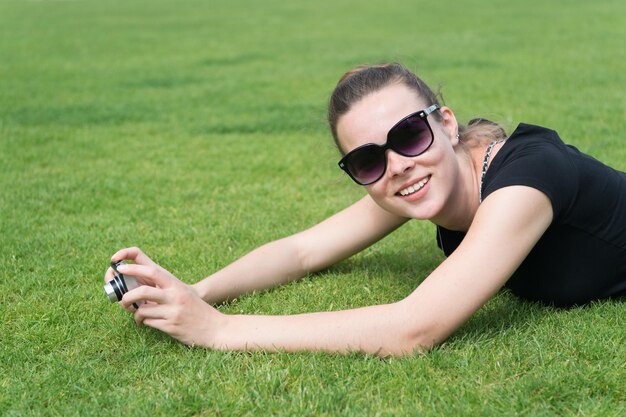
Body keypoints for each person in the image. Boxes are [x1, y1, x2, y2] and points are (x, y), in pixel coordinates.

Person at [104, 63, 626, 357]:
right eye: (367, 159)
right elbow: (304, 250)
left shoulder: (529, 176)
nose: (396, 165)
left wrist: (217, 330)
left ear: (446, 124)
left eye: (409, 134)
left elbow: (413, 328)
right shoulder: (423, 179)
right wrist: (195, 292)